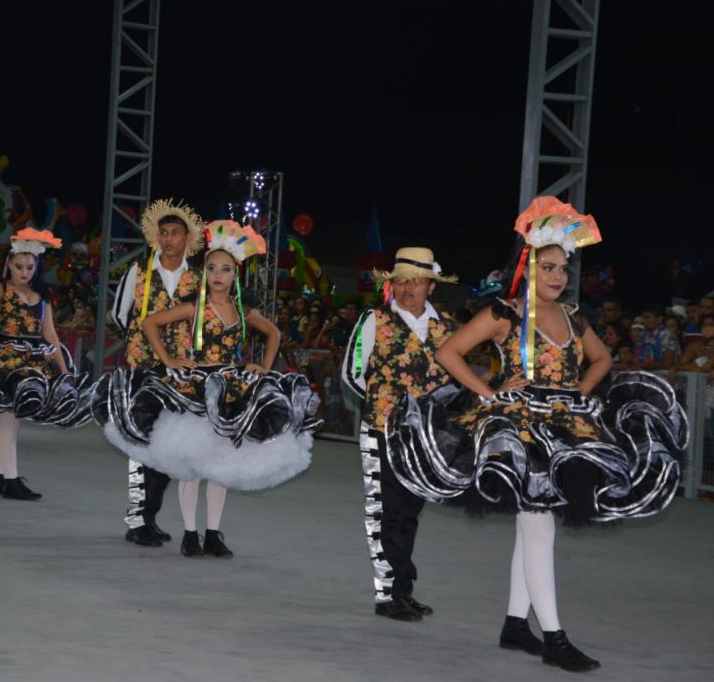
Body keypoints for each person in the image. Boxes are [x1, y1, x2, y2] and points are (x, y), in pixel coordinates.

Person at [385, 197, 687, 672]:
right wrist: (488, 393)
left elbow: (602, 359)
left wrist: (579, 393)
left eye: (563, 269)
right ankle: (554, 638)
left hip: (564, 427)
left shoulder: (573, 317)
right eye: (548, 267)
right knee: (539, 526)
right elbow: (448, 353)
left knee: (535, 529)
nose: (557, 277)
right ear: (529, 266)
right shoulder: (506, 313)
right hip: (520, 430)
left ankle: (514, 624)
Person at [94, 220, 322, 558]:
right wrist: (170, 358)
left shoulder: (244, 310)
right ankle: (189, 533)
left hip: (231, 390)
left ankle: (213, 533)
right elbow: (148, 322)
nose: (218, 275)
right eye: (212, 268)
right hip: (196, 389)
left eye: (225, 269)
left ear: (235, 275)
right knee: (194, 466)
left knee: (221, 465)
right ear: (205, 272)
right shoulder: (194, 306)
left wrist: (262, 366)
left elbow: (273, 333)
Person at [340, 247, 460, 622]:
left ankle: (403, 589)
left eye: (417, 281)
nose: (408, 289)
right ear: (391, 285)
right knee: (384, 512)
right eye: (401, 281)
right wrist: (383, 407)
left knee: (409, 513)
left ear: (431, 287)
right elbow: (351, 372)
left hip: (423, 439)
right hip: (382, 432)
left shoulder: (448, 327)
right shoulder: (374, 319)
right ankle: (386, 594)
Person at [0, 228, 90, 500]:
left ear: (36, 268)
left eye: (30, 267)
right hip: (8, 359)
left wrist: (65, 370)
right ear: (8, 264)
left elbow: (50, 334)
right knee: (11, 421)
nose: (24, 272)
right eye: (19, 266)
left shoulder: (41, 295)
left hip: (36, 359)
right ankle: (10, 481)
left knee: (10, 421)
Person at [109, 198, 204, 547]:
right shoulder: (139, 273)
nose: (168, 239)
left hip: (181, 374)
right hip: (143, 369)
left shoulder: (199, 278)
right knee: (140, 444)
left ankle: (148, 515)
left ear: (187, 238)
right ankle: (138, 520)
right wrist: (140, 345)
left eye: (175, 233)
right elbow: (121, 316)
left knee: (168, 448)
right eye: (163, 233)